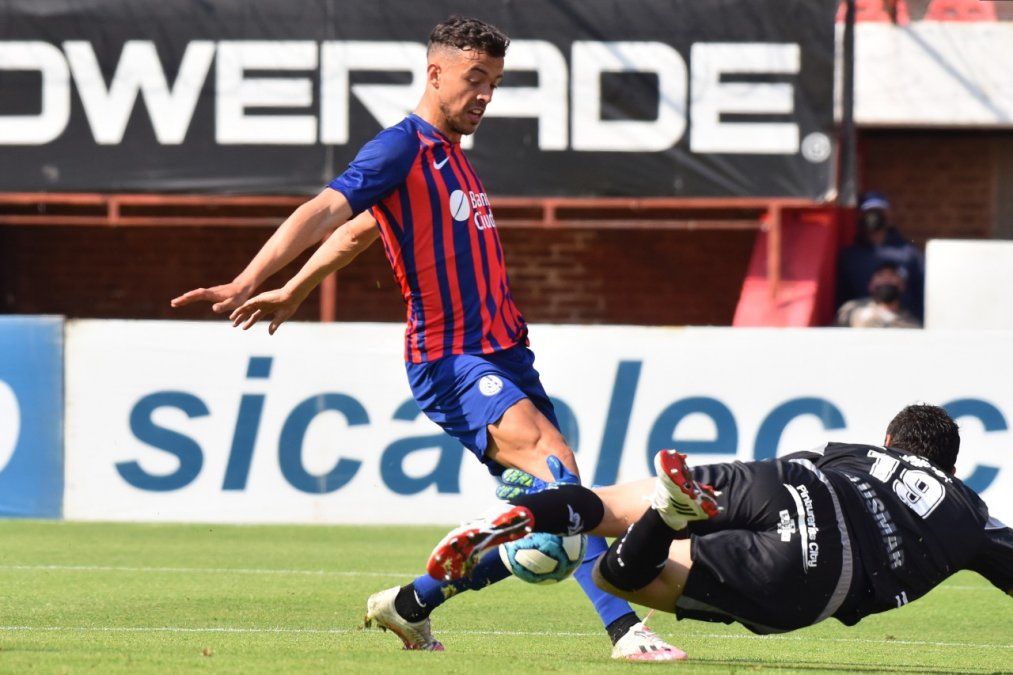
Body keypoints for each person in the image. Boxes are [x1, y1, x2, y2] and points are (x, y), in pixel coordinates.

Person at [170, 15, 682, 661]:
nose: (485, 95)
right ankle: (624, 631)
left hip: (505, 354)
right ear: (434, 73)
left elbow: (359, 234)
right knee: (560, 474)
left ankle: (410, 603)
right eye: (474, 79)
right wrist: (251, 279)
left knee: (553, 533)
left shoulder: (452, 160)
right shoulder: (400, 146)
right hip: (450, 358)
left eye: (493, 82)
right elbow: (326, 211)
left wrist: (298, 288)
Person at [433, 404, 1011, 647]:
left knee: (604, 505)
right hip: (822, 572)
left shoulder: (861, 451)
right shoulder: (971, 513)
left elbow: (804, 465)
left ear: (891, 441)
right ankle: (666, 518)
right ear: (952, 466)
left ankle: (527, 511)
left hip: (789, 482)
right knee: (617, 576)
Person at [837, 192, 925, 321]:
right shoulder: (850, 257)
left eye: (879, 211)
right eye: (868, 212)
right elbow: (841, 297)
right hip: (862, 325)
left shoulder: (909, 254)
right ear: (860, 216)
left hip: (902, 325)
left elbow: (921, 293)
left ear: (889, 215)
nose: (873, 216)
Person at [835, 261, 921, 328]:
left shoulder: (911, 323)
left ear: (902, 285)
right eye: (880, 275)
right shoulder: (850, 310)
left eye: (892, 274)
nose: (886, 279)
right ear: (871, 285)